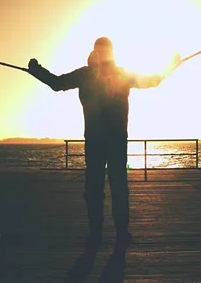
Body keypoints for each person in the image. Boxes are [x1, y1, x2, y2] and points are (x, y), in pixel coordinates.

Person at [28, 37, 181, 248]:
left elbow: (56, 83)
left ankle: (96, 232)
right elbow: (152, 80)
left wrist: (36, 71)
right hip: (116, 139)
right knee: (117, 186)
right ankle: (120, 232)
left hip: (95, 139)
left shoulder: (86, 73)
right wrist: (171, 65)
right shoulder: (119, 74)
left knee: (95, 187)